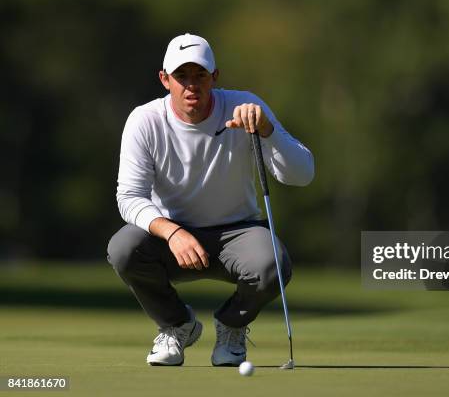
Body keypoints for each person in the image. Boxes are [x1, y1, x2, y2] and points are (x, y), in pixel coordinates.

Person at [106, 33, 314, 367]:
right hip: (171, 237)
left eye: (200, 75)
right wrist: (172, 232)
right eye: (181, 76)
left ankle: (231, 325)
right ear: (165, 79)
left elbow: (302, 174)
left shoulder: (245, 107)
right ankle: (177, 325)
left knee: (272, 264)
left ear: (215, 77)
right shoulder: (145, 121)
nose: (192, 85)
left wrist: (267, 132)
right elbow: (129, 196)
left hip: (238, 232)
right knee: (123, 250)